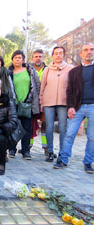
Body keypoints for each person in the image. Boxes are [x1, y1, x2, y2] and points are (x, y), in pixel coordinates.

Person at [54, 43, 94, 174]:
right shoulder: (74, 72)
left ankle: (88, 162)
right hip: (78, 107)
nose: (89, 52)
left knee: (92, 137)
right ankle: (63, 159)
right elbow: (69, 91)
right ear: (80, 54)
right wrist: (70, 107)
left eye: (91, 49)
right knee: (69, 134)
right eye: (86, 50)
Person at [40, 47, 74, 162]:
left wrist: (72, 104)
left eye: (60, 53)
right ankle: (50, 152)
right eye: (56, 53)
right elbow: (42, 86)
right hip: (48, 102)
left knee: (63, 128)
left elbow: (73, 87)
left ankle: (62, 153)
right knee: (48, 128)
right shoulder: (47, 70)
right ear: (52, 56)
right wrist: (41, 101)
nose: (58, 55)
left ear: (64, 55)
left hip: (63, 103)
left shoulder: (70, 69)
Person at [8, 50, 40, 159]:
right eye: (15, 57)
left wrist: (36, 99)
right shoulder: (9, 73)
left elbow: (37, 84)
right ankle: (12, 149)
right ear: (12, 60)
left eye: (19, 57)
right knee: (13, 127)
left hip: (27, 104)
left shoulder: (30, 70)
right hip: (13, 104)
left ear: (23, 59)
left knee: (26, 128)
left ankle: (26, 151)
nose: (17, 59)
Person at [30, 49, 48, 154]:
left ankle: (46, 147)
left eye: (40, 56)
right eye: (36, 56)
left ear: (43, 58)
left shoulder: (48, 69)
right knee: (31, 125)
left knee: (45, 125)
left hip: (45, 101)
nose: (38, 58)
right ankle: (28, 146)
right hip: (32, 102)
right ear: (32, 58)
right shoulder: (28, 69)